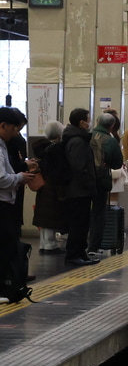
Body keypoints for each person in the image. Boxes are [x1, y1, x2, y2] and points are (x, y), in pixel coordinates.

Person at [0, 107, 38, 301]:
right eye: (14, 129)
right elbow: (1, 178)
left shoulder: (4, 145)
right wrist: (19, 176)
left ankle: (7, 284)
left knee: (6, 244)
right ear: (3, 126)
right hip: (2, 202)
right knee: (4, 246)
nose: (16, 134)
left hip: (7, 200)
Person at [59, 108, 99, 267]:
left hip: (80, 190)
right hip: (78, 191)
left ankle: (81, 253)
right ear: (82, 122)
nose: (90, 123)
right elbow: (79, 167)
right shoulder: (77, 141)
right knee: (78, 224)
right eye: (88, 120)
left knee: (83, 224)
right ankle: (73, 254)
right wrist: (89, 185)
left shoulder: (78, 139)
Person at [87, 112, 124, 257]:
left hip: (83, 179)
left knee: (83, 213)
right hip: (101, 181)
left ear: (97, 121)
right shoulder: (110, 141)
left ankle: (78, 245)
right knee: (98, 213)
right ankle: (93, 247)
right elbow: (117, 164)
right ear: (112, 125)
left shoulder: (86, 136)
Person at [32, 120, 65, 254]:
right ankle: (50, 245)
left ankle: (43, 244)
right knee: (51, 216)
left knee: (44, 217)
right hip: (52, 186)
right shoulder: (56, 149)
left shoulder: (40, 149)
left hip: (42, 187)